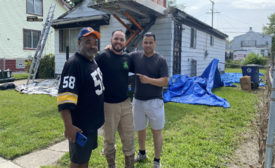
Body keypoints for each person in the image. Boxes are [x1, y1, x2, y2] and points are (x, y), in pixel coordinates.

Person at [57, 27, 104, 168]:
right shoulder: (74, 64)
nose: (92, 45)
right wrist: (69, 126)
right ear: (79, 43)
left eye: (95, 42)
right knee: (77, 162)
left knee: (84, 158)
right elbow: (65, 99)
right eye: (88, 41)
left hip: (91, 124)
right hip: (80, 125)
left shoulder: (91, 60)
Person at [95, 30, 135, 168]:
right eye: (116, 38)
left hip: (125, 104)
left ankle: (129, 165)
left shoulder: (127, 59)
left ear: (125, 42)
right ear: (111, 40)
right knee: (109, 140)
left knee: (129, 138)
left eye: (121, 39)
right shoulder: (102, 56)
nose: (119, 41)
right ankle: (111, 165)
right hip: (108, 105)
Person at [130, 32, 169, 168]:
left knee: (156, 131)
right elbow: (122, 60)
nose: (148, 45)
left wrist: (148, 80)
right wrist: (109, 48)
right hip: (138, 101)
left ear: (155, 43)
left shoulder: (160, 60)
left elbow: (165, 82)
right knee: (140, 129)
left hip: (155, 102)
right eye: (145, 42)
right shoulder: (135, 57)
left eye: (150, 42)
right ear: (142, 43)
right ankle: (142, 153)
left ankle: (157, 161)